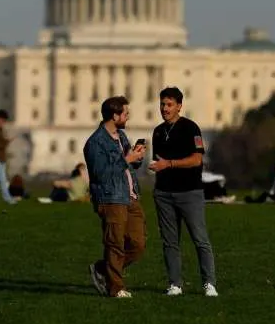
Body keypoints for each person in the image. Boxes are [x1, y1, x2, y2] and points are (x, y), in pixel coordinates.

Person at [147, 87, 217, 297]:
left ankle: (209, 283)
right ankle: (175, 284)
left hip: (189, 192)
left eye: (169, 105)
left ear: (179, 106)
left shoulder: (191, 128)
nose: (164, 109)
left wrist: (169, 164)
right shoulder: (158, 131)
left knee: (200, 238)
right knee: (170, 241)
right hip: (164, 193)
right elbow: (158, 161)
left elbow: (197, 159)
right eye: (162, 104)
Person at [83, 96, 147, 298]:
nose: (128, 117)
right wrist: (126, 159)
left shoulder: (121, 136)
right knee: (115, 244)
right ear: (115, 115)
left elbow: (128, 166)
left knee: (138, 244)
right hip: (111, 198)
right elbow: (101, 174)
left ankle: (102, 269)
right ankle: (116, 288)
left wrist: (136, 158)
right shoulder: (95, 143)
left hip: (130, 195)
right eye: (125, 114)